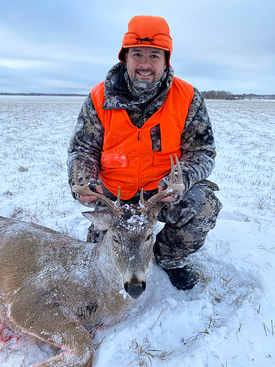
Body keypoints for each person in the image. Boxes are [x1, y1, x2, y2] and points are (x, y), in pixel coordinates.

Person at [67, 15, 222, 291]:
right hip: (114, 198)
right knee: (97, 259)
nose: (145, 64)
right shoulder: (99, 98)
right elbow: (83, 149)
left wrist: (181, 179)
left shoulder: (187, 98)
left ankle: (169, 257)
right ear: (125, 57)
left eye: (154, 55)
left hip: (159, 195)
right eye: (137, 54)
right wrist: (86, 184)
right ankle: (114, 241)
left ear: (166, 60)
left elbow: (203, 151)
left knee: (204, 205)